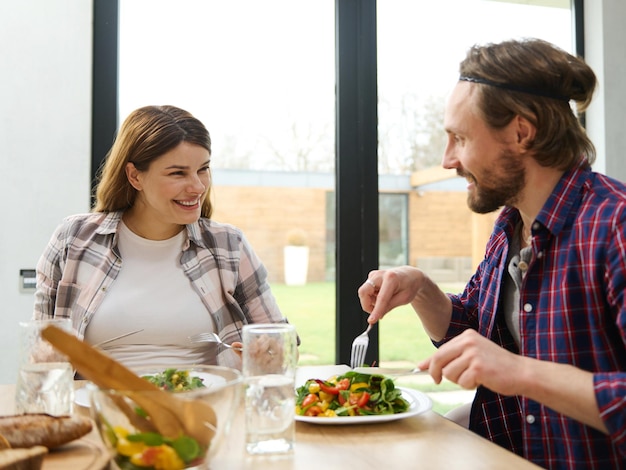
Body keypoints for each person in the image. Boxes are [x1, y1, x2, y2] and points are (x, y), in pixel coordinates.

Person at [358, 38, 626, 469]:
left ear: (521, 132)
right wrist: (421, 289)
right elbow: (477, 339)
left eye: (460, 138)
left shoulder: (615, 226)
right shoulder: (509, 228)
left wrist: (523, 372)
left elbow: (505, 364)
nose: (448, 160)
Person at [33, 105, 294, 370]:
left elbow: (280, 342)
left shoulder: (229, 245)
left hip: (204, 405)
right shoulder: (74, 239)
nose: (198, 186)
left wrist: (267, 351)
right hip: (100, 407)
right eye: (178, 173)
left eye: (203, 169)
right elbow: (41, 351)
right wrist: (45, 357)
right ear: (135, 176)